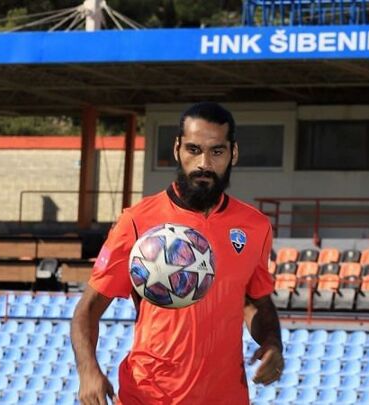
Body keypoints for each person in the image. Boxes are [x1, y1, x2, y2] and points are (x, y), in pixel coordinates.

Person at [71, 102, 284, 405]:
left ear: (233, 153)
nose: (204, 163)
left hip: (225, 398)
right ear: (177, 149)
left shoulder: (255, 226)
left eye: (217, 151)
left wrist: (272, 342)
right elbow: (88, 309)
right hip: (147, 397)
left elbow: (254, 302)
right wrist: (88, 370)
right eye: (193, 150)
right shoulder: (137, 221)